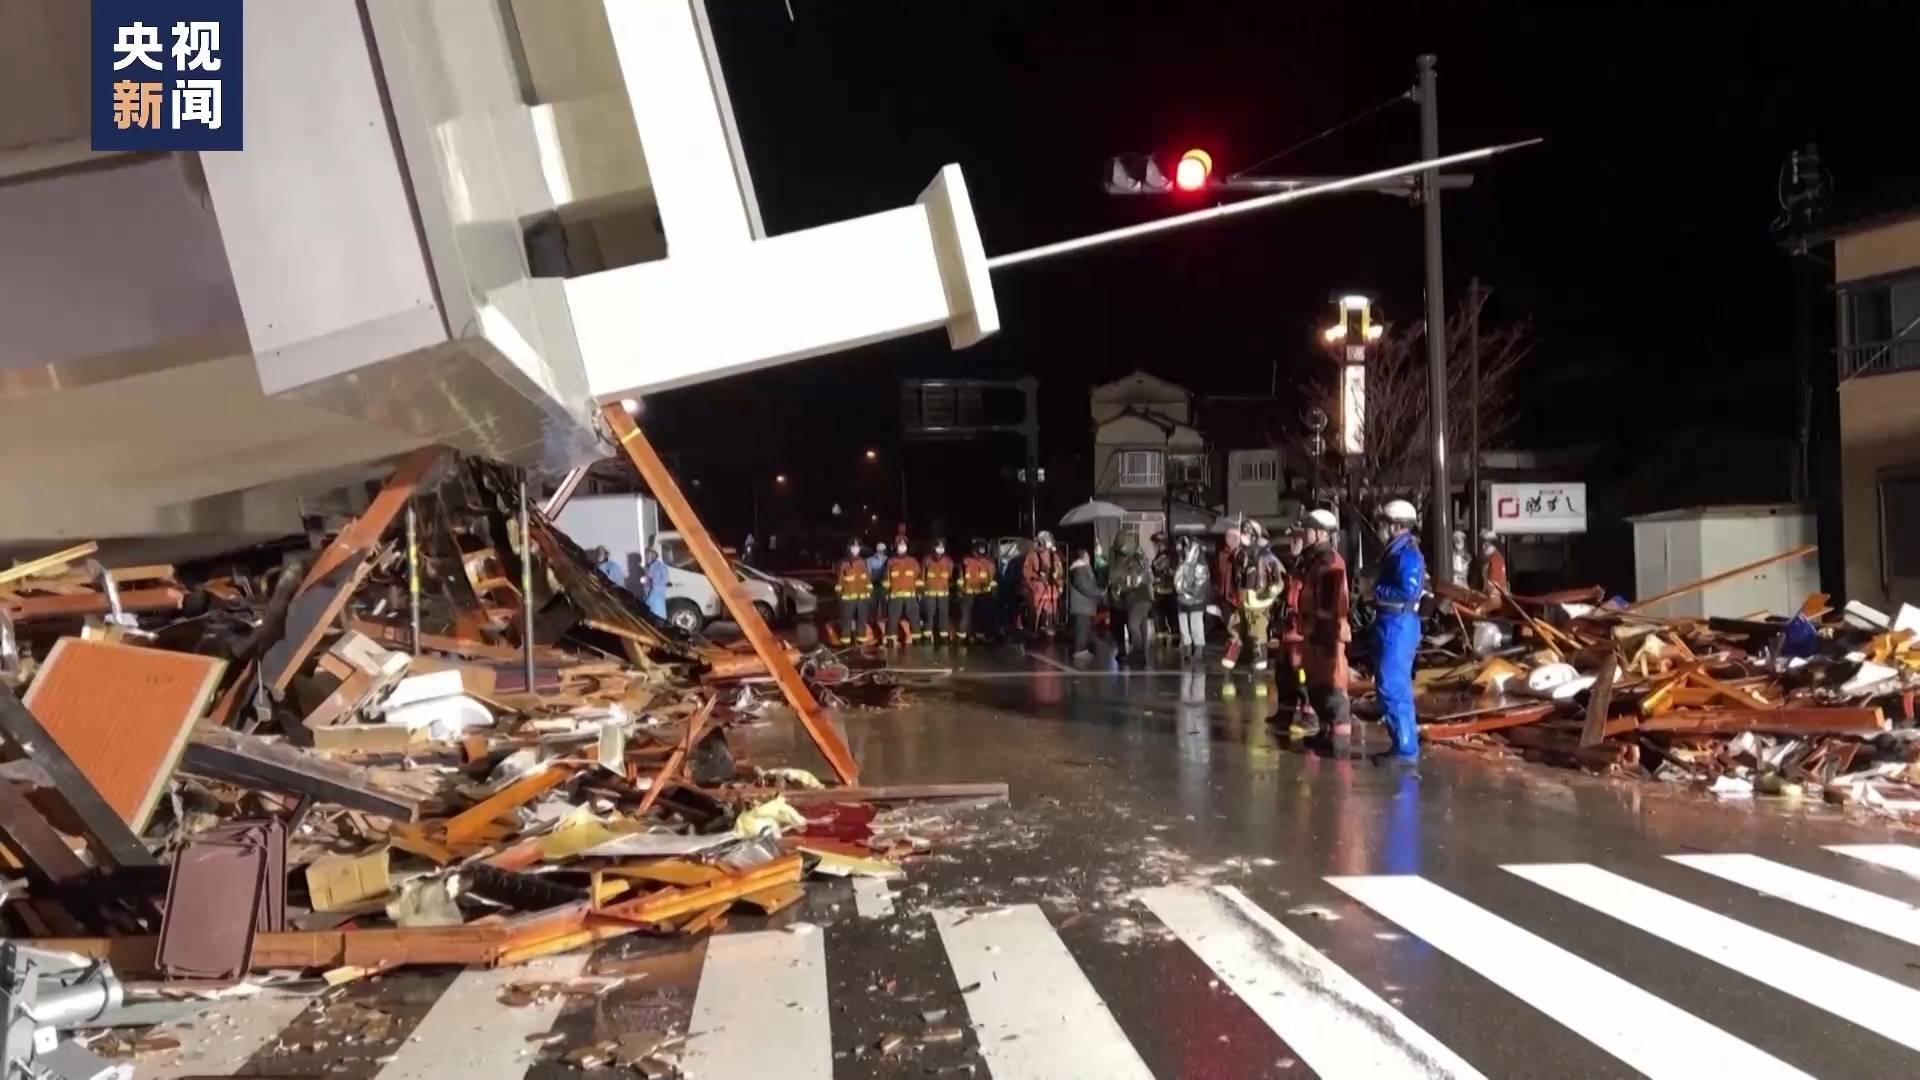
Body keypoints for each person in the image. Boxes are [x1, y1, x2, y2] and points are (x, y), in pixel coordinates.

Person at [1372, 499, 1426, 765]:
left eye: (1383, 524)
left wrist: (1376, 592)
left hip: (1398, 623)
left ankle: (1405, 749)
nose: (1379, 529)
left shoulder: (1406, 553)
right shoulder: (1396, 551)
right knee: (1392, 685)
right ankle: (1403, 744)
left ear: (1395, 526)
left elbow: (1408, 589)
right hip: (1392, 623)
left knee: (1392, 686)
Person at [1293, 509, 1352, 741]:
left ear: (1319, 533)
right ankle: (1327, 731)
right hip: (1315, 632)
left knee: (1332, 685)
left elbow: (1332, 603)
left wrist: (1324, 630)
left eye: (1307, 530)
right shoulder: (1314, 560)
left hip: (1327, 634)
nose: (1304, 534)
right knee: (1318, 684)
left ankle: (1338, 736)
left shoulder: (1328, 562)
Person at [1222, 521, 1284, 672]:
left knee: (1258, 633)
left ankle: (1259, 662)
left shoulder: (1267, 556)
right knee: (1235, 628)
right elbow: (1236, 578)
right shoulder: (1241, 555)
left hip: (1260, 600)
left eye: (1247, 532)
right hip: (1242, 599)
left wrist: (1272, 591)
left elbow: (1279, 578)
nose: (1243, 535)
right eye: (1243, 531)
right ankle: (1232, 657)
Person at [1107, 533, 1153, 662]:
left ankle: (1138, 651)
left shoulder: (1134, 561)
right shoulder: (1133, 559)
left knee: (1133, 625)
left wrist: (1126, 584)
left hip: (1139, 597)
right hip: (1134, 598)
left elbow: (1139, 578)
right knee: (1139, 625)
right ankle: (1140, 654)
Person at [1172, 536, 1211, 661]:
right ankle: (1188, 649)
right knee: (1183, 625)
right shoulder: (1182, 559)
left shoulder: (1199, 561)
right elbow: (1179, 576)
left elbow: (1201, 581)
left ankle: (1197, 651)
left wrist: (1187, 592)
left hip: (1195, 598)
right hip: (1182, 597)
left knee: (1196, 625)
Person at [832, 538, 874, 646]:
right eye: (853, 547)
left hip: (862, 598)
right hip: (848, 598)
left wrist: (869, 592)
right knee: (847, 619)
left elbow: (867, 579)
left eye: (857, 547)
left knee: (862, 619)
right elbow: (839, 581)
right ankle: (845, 641)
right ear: (849, 548)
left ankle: (861, 639)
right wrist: (839, 596)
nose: (856, 549)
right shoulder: (843, 563)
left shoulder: (862, 562)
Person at [1023, 531, 1064, 637]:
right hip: (1038, 587)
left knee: (1051, 607)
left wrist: (1059, 584)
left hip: (1051, 587)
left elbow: (1059, 572)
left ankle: (1049, 626)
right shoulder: (1032, 555)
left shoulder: (1054, 556)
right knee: (1036, 609)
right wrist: (1037, 577)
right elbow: (1026, 571)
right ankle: (1034, 628)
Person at [1066, 547, 1102, 660]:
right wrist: (1099, 592)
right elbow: (1084, 586)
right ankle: (1079, 651)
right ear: (1084, 557)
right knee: (1081, 629)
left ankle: (1082, 650)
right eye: (1088, 556)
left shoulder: (1080, 569)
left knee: (1084, 629)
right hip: (1082, 606)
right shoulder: (1080, 569)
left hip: (1084, 606)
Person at [884, 541, 923, 646]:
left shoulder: (913, 561)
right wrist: (887, 593)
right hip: (895, 596)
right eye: (900, 546)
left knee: (915, 619)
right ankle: (890, 640)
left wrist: (919, 592)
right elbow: (886, 579)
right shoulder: (890, 561)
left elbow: (919, 578)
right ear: (896, 547)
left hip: (910, 596)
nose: (902, 547)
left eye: (904, 545)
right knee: (893, 619)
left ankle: (917, 640)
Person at [959, 540, 997, 643]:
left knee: (982, 615)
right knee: (966, 616)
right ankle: (964, 637)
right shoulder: (966, 561)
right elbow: (960, 578)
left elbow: (993, 580)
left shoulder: (989, 563)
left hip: (983, 594)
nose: (979, 553)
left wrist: (993, 593)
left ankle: (980, 635)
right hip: (968, 593)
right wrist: (960, 590)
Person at [921, 540, 956, 644]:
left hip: (943, 593)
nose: (940, 549)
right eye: (938, 547)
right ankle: (927, 636)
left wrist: (949, 587)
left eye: (942, 547)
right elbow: (922, 576)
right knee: (929, 614)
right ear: (934, 548)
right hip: (930, 592)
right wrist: (922, 590)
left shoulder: (948, 561)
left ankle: (943, 636)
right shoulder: (927, 560)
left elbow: (951, 577)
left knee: (943, 614)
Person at [866, 540, 891, 640]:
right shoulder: (869, 560)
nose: (881, 550)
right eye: (879, 548)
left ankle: (884, 624)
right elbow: (868, 574)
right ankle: (871, 624)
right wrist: (869, 584)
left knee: (885, 605)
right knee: (872, 605)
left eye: (882, 549)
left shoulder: (888, 559)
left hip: (884, 586)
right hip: (874, 585)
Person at [640, 546, 669, 621]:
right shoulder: (647, 567)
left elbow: (664, 580)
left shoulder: (661, 566)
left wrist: (652, 582)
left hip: (656, 596)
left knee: (658, 616)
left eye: (648, 554)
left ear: (653, 554)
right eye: (646, 554)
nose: (646, 556)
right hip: (647, 595)